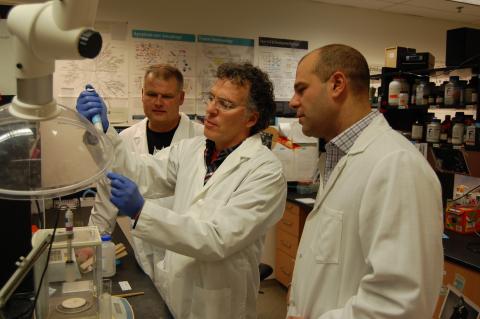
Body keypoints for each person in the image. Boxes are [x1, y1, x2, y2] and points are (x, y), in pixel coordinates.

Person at [76, 62, 287, 318]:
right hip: (176, 288)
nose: (211, 110)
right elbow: (139, 171)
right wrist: (104, 131)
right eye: (212, 99)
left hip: (219, 304)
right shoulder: (194, 149)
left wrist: (142, 212)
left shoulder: (265, 171)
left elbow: (217, 238)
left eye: (226, 105)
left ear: (251, 118)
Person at [286, 44, 443, 318]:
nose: (292, 101)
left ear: (337, 84)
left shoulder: (396, 165)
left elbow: (401, 303)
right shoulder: (338, 157)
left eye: (301, 89)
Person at [85, 64, 203, 278]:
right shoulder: (125, 139)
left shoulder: (202, 140)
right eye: (151, 94)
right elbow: (107, 194)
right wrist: (91, 241)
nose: (158, 102)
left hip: (188, 257)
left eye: (167, 96)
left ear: (181, 98)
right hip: (145, 253)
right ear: (142, 94)